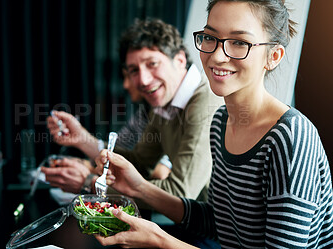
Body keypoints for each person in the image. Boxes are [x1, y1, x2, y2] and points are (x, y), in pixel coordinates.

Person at [94, 0, 333, 248]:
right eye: (210, 37)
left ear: (273, 56)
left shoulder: (289, 137)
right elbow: (220, 223)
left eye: (239, 42)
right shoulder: (221, 121)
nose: (217, 56)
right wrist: (140, 188)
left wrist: (161, 241)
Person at [46, 18, 223, 199]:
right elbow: (140, 163)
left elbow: (180, 193)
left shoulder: (206, 102)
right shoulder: (164, 103)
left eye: (152, 64)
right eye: (134, 70)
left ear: (179, 60)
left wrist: (90, 184)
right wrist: (82, 139)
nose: (143, 80)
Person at [42, 72, 172, 194]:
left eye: (131, 74)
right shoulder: (143, 114)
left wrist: (89, 179)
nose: (126, 85)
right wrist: (81, 141)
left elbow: (159, 173)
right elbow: (121, 155)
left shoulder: (166, 113)